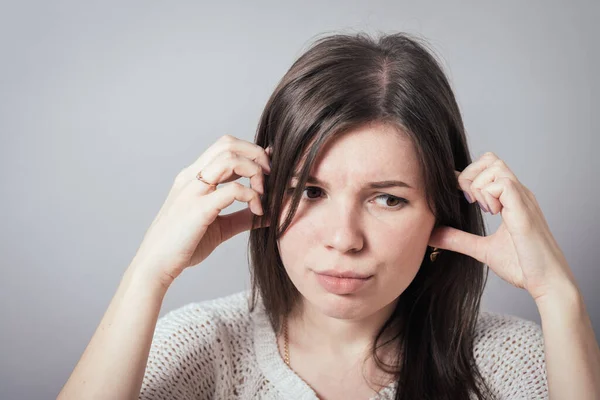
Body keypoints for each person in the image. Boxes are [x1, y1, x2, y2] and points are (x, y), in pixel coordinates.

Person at [57, 32, 600, 400]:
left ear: (441, 210)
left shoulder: (514, 363)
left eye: (387, 198)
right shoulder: (206, 348)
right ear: (265, 195)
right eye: (311, 190)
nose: (344, 239)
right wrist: (149, 272)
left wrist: (561, 299)